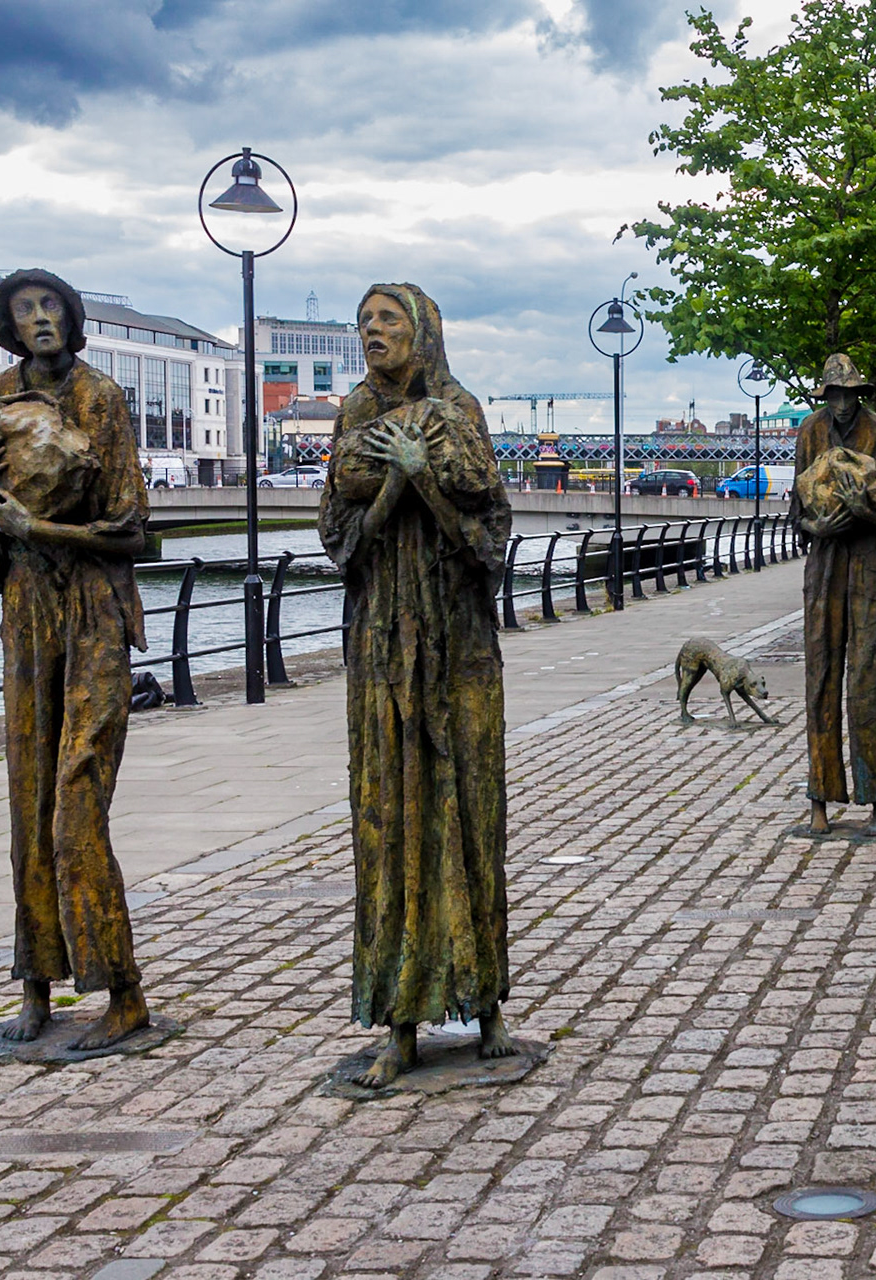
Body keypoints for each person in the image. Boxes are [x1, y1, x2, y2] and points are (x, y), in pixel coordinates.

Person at [319, 283, 518, 1088]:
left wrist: (425, 484)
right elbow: (341, 542)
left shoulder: (459, 410)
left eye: (388, 320)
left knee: (470, 810)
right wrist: (396, 484)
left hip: (457, 646)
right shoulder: (352, 413)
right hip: (381, 647)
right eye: (365, 322)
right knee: (388, 816)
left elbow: (489, 544)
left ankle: (488, 1004)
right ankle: (398, 1019)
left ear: (423, 332)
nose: (373, 332)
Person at [0, 269, 153, 1050]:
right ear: (7, 325)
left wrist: (43, 533)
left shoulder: (101, 398)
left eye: (49, 306)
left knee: (76, 806)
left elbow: (129, 530)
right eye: (22, 310)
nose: (38, 318)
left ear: (71, 316)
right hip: (28, 614)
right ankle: (36, 989)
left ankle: (124, 992)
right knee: (28, 801)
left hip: (94, 613)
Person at [791, 354, 876, 837]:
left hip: (865, 568)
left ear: (859, 395)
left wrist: (863, 511)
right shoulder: (809, 432)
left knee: (864, 684)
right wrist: (816, 525)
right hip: (823, 569)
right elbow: (796, 511)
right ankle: (820, 796)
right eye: (833, 395)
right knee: (820, 681)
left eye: (848, 395)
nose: (840, 404)